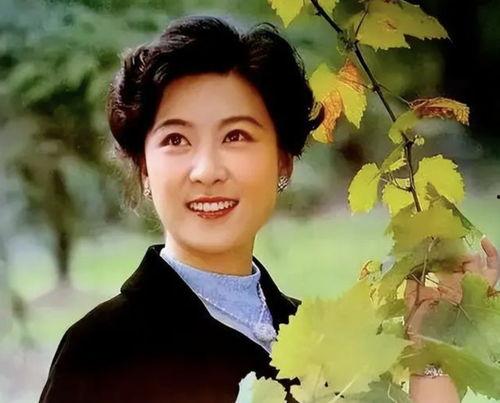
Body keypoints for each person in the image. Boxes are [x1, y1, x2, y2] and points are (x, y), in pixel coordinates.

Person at [39, 14, 499, 403]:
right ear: (144, 167)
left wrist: (434, 343)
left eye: (236, 136)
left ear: (283, 160)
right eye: (176, 139)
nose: (206, 170)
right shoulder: (100, 354)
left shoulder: (318, 340)